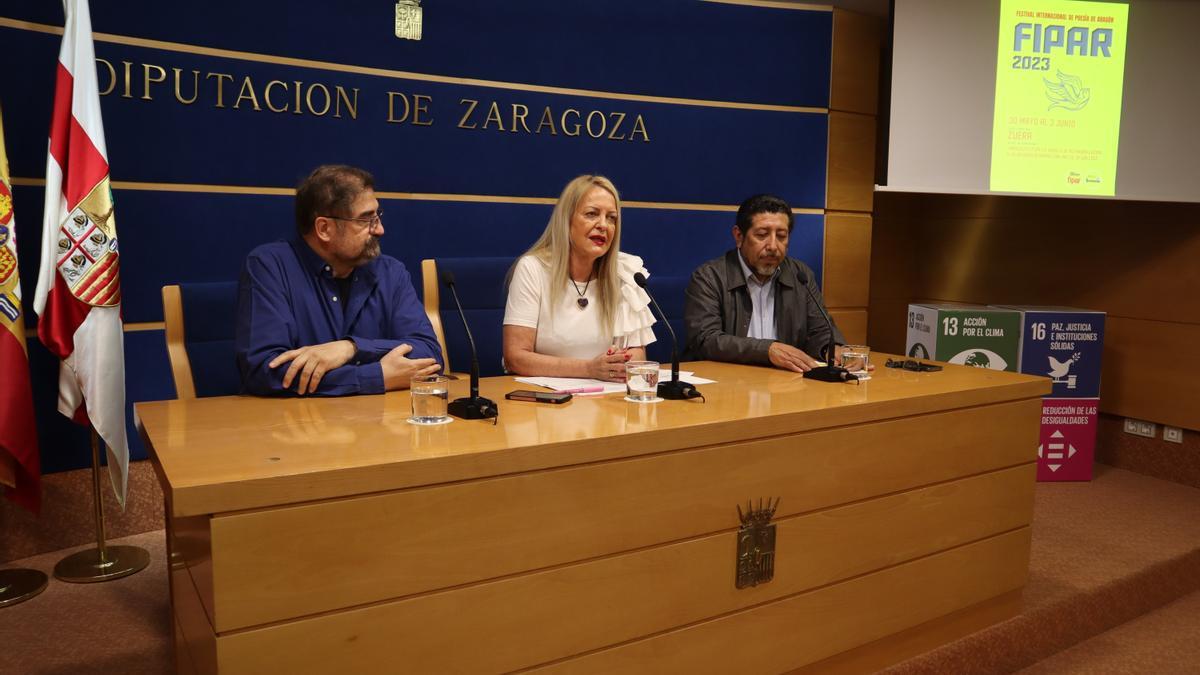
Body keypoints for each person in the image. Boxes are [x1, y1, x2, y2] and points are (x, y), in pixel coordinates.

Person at [236, 164, 443, 396]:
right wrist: (377, 376)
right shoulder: (270, 266)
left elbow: (429, 354)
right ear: (324, 228)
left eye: (378, 216)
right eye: (366, 220)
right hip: (297, 426)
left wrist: (351, 348)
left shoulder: (391, 271)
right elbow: (266, 371)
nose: (380, 230)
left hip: (378, 424)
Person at [503, 175, 656, 382]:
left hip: (607, 401)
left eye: (611, 218)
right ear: (566, 220)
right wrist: (589, 369)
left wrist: (619, 364)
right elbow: (516, 358)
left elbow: (636, 358)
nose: (604, 225)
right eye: (592, 214)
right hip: (545, 402)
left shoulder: (626, 273)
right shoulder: (533, 269)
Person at [684, 193, 848, 373]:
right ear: (739, 236)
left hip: (784, 384)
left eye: (781, 236)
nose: (773, 246)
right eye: (762, 235)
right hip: (727, 383)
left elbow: (821, 330)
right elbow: (705, 339)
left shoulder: (800, 275)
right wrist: (767, 350)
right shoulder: (709, 277)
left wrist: (833, 350)